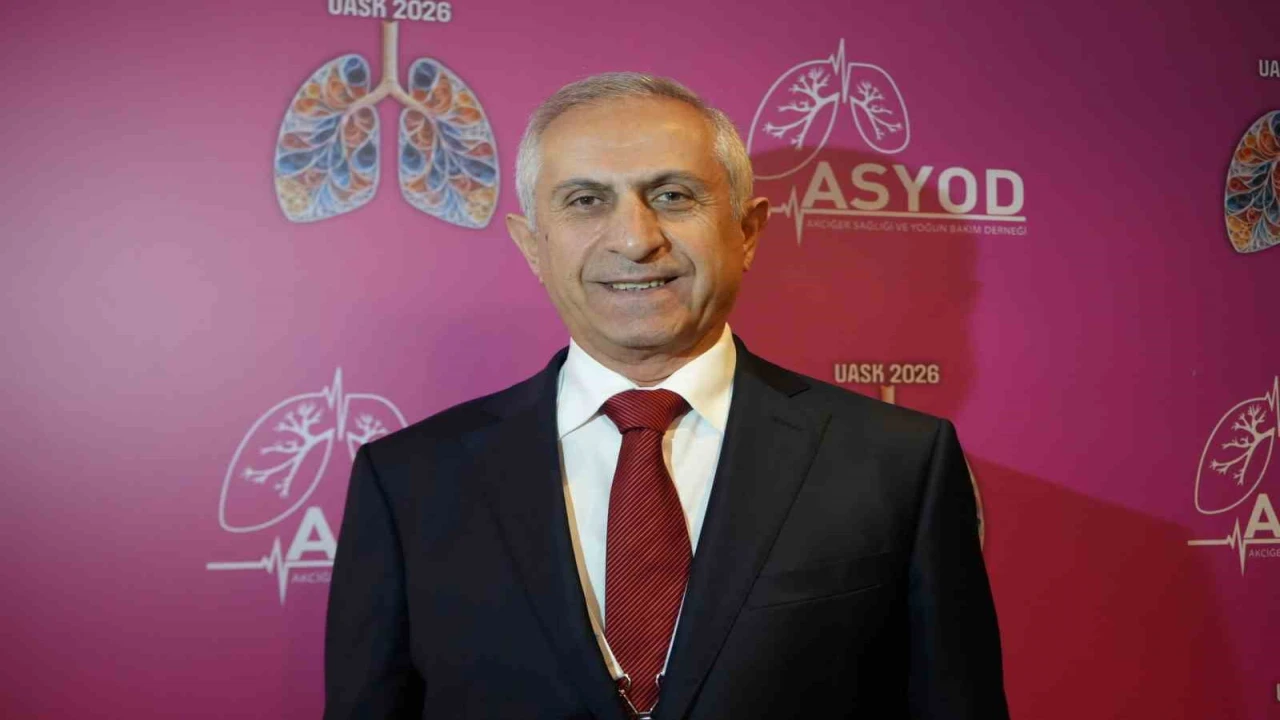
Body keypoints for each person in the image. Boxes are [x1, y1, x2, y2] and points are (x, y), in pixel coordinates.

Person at [324, 72, 1009, 720]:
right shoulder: (408, 480)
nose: (635, 239)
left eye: (674, 196)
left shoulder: (900, 462)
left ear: (747, 232)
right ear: (532, 245)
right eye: (586, 200)